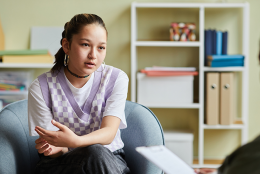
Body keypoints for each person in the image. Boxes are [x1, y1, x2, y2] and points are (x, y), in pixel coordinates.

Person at [28, 13, 130, 174]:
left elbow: (109, 133)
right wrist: (57, 148)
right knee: (94, 153)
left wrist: (76, 141)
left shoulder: (117, 79)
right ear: (66, 45)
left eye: (101, 47)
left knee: (97, 152)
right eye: (85, 45)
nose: (93, 55)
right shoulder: (41, 87)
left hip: (110, 159)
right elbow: (55, 146)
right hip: (62, 162)